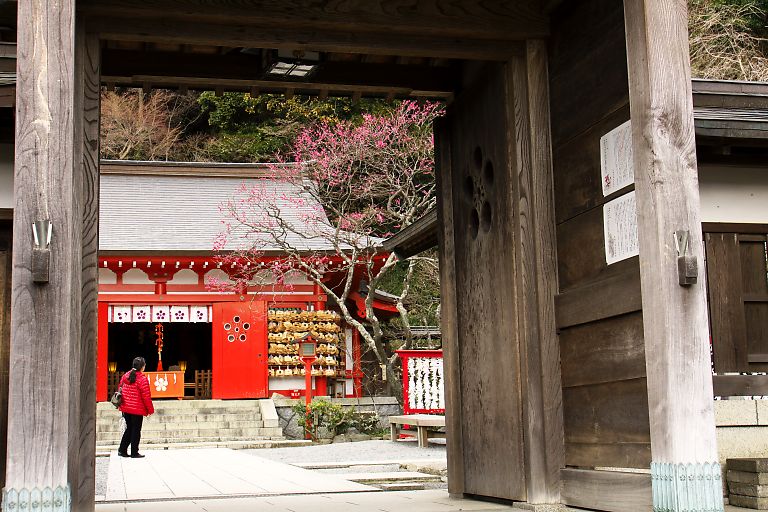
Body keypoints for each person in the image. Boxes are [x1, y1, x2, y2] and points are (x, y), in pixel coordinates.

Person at [117, 356, 154, 458]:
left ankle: (122, 450)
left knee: (129, 429)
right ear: (142, 367)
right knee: (136, 431)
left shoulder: (125, 376)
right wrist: (150, 410)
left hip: (126, 408)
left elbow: (120, 388)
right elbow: (146, 397)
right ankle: (134, 452)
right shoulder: (142, 379)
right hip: (137, 409)